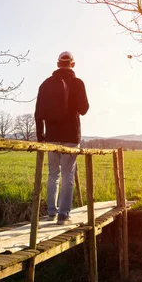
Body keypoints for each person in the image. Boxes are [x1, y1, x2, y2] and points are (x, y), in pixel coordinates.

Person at [34, 51, 89, 225]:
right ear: (73, 64)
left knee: (53, 174)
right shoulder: (78, 83)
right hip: (71, 135)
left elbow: (38, 113)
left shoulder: (46, 84)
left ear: (58, 64)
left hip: (51, 136)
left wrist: (40, 135)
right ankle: (63, 215)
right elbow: (84, 109)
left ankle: (51, 212)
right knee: (68, 175)